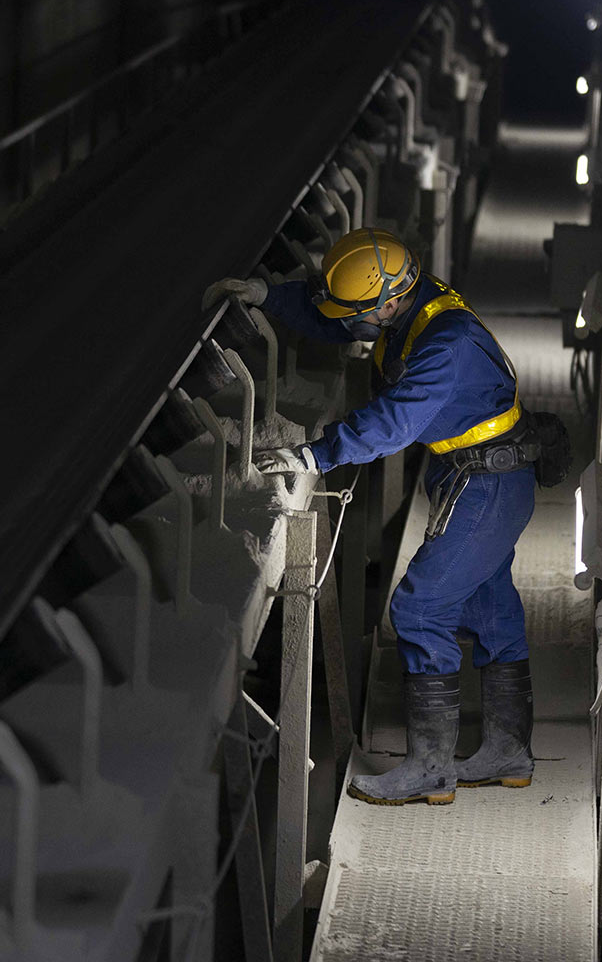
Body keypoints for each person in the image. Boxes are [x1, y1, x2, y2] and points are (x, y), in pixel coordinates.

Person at [204, 227, 537, 807]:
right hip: (479, 474)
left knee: (420, 606)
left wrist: (315, 453)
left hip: (487, 485)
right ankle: (509, 751)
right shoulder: (411, 305)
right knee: (489, 603)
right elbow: (333, 315)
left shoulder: (445, 345)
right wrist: (267, 296)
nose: (349, 327)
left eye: (359, 314)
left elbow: (393, 423)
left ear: (388, 302)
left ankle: (432, 769)